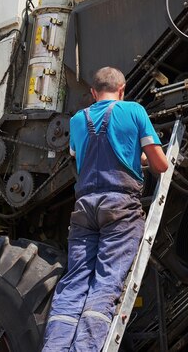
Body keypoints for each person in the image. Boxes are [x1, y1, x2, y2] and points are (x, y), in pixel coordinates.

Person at [42, 66, 168, 351]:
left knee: (74, 284)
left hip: (85, 208)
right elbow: (160, 165)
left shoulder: (77, 120)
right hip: (120, 207)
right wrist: (140, 159)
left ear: (92, 92)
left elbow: (81, 157)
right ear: (122, 90)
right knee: (106, 281)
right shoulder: (134, 111)